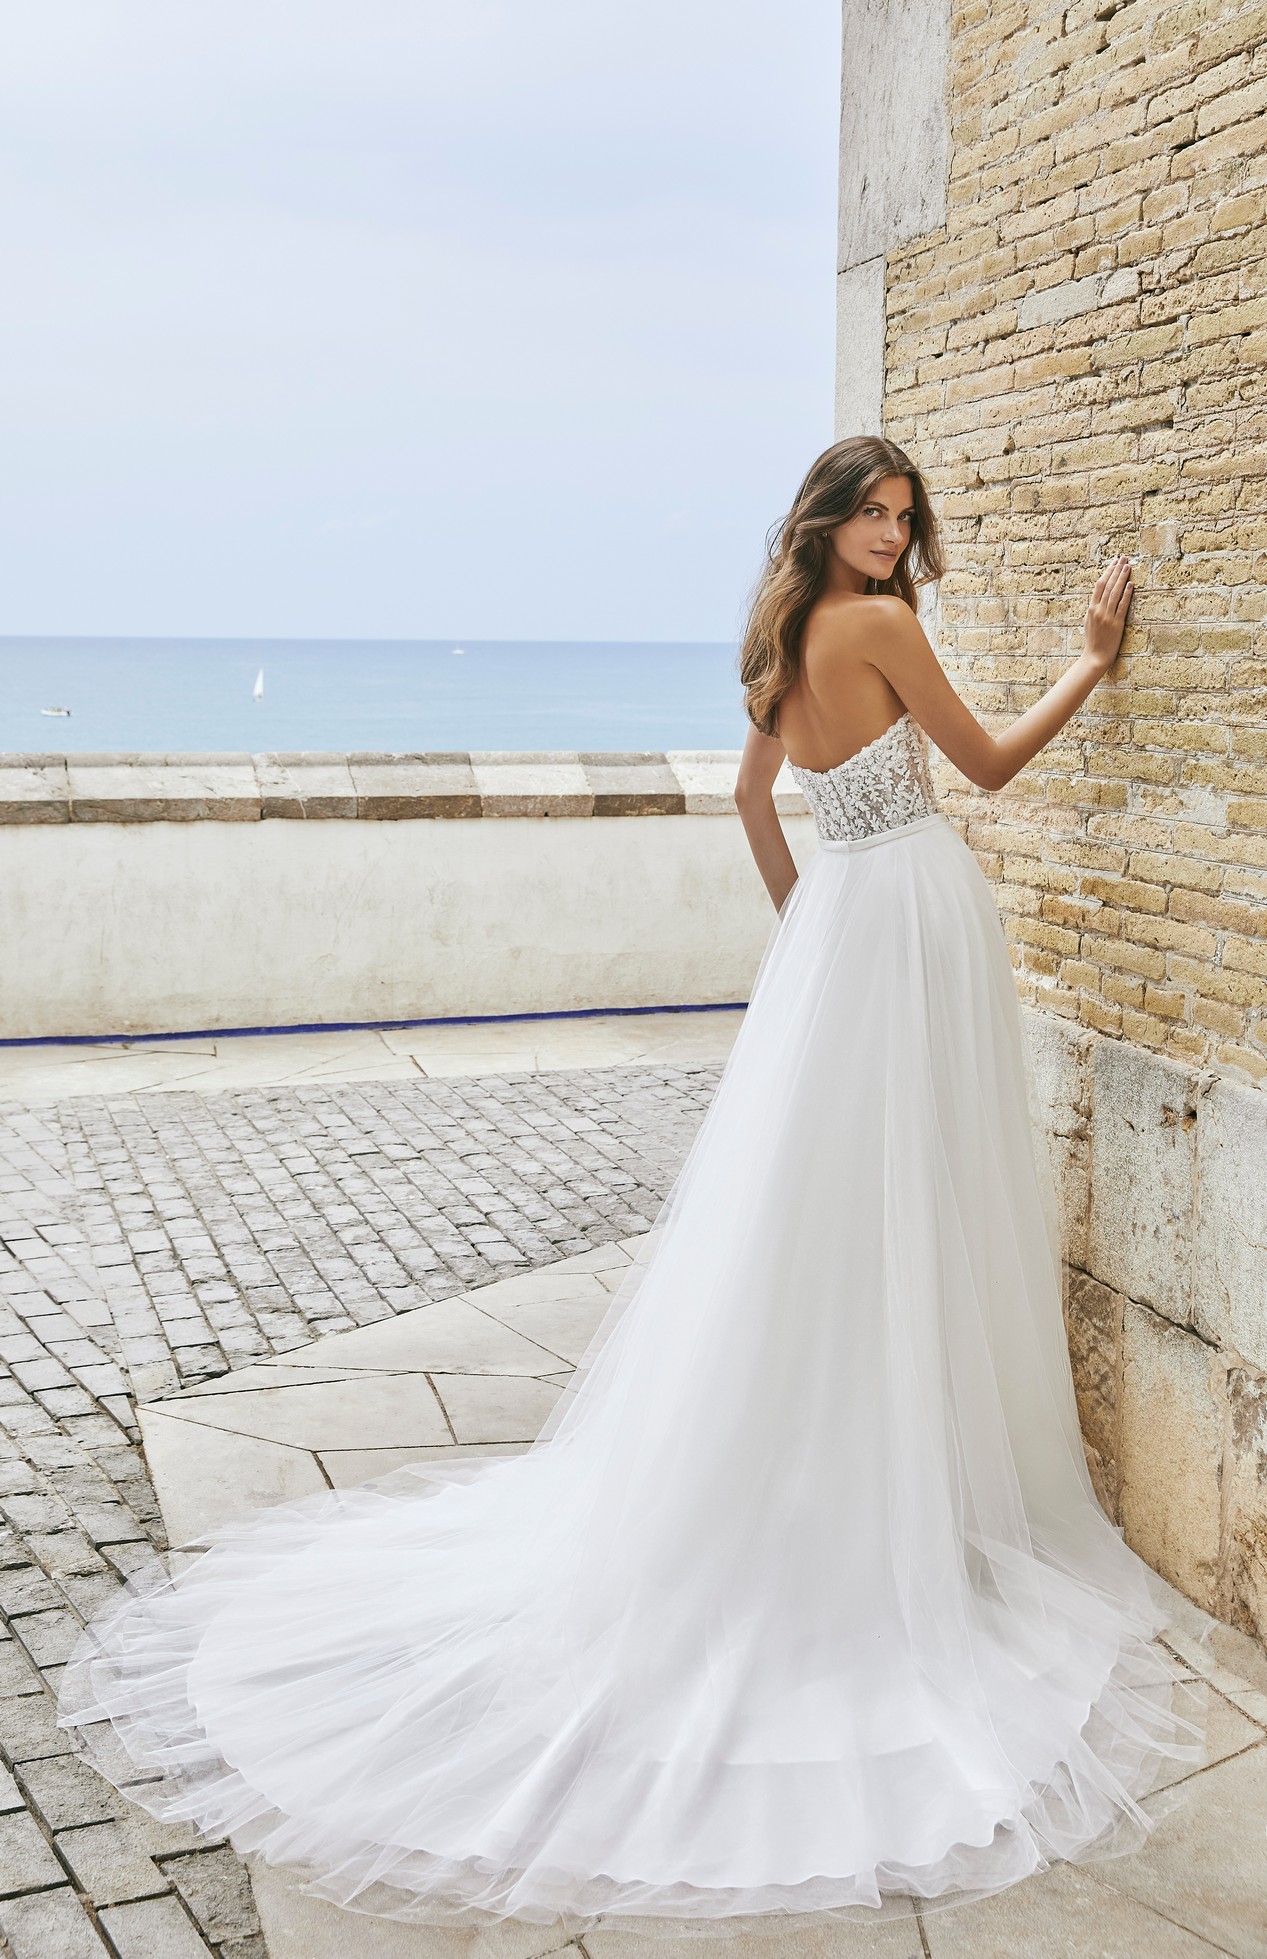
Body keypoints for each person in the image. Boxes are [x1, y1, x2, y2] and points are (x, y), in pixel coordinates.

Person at [58, 435, 1199, 1932]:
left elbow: (749, 801)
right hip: (906, 923)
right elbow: (981, 767)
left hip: (843, 936)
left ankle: (838, 1474)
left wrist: (809, 939)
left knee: (821, 1228)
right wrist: (1094, 663)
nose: (890, 535)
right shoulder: (880, 627)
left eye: (904, 518)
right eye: (872, 513)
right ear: (829, 521)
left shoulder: (781, 638)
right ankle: (887, 1502)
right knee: (900, 1214)